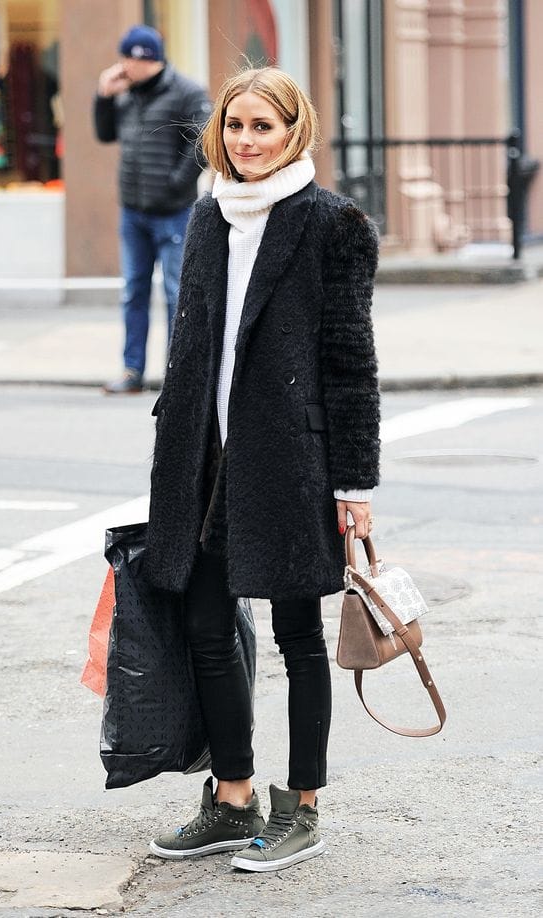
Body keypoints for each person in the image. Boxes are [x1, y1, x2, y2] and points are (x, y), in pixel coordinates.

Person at [144, 67, 380, 872]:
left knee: (297, 635)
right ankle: (232, 796)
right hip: (202, 456)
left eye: (262, 126)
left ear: (294, 131)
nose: (246, 141)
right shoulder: (208, 214)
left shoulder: (334, 224)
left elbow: (351, 363)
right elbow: (190, 341)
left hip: (290, 459)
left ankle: (302, 808)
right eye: (235, 125)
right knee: (209, 628)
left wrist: (354, 485)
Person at [93, 25, 211, 394]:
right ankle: (132, 371)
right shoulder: (127, 94)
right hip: (133, 212)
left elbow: (203, 144)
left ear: (147, 59)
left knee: (177, 294)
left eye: (129, 59)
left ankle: (177, 377)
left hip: (174, 212)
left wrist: (175, 184)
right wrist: (104, 96)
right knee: (133, 292)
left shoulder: (187, 92)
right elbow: (105, 134)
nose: (123, 66)